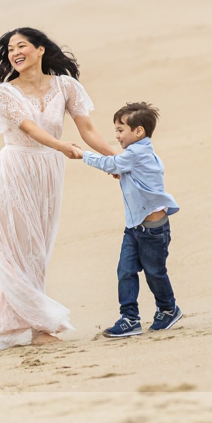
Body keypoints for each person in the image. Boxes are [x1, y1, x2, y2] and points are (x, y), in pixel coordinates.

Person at [0, 27, 119, 349]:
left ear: (40, 50)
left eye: (22, 46)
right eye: (9, 49)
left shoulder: (66, 86)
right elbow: (30, 130)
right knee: (21, 250)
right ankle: (37, 328)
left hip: (48, 175)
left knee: (38, 250)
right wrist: (61, 146)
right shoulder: (5, 93)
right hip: (14, 172)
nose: (14, 53)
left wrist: (117, 160)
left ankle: (3, 324)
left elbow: (88, 129)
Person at [72, 102, 183, 337]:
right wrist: (120, 169)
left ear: (139, 131)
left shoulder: (139, 153)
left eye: (121, 130)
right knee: (125, 270)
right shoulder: (133, 156)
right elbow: (119, 166)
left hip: (153, 230)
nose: (117, 135)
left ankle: (168, 309)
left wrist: (83, 155)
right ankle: (129, 317)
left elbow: (112, 163)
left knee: (155, 272)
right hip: (134, 228)